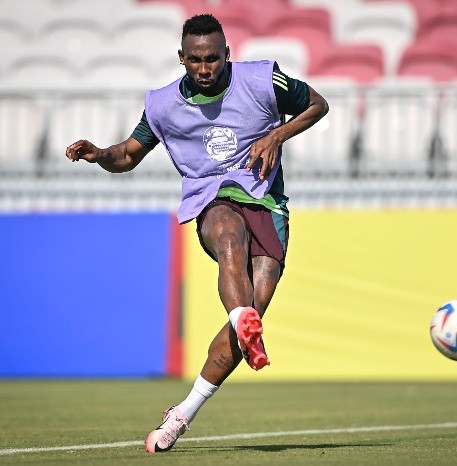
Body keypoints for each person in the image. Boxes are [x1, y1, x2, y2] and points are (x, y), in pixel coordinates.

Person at [65, 13, 328, 453]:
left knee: (248, 328)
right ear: (182, 57)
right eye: (195, 60)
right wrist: (99, 154)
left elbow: (318, 104)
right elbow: (126, 155)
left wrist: (276, 136)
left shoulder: (264, 80)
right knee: (227, 233)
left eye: (213, 59)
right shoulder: (163, 106)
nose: (205, 68)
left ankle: (182, 413)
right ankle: (241, 316)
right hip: (212, 199)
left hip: (267, 203)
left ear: (227, 54)